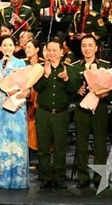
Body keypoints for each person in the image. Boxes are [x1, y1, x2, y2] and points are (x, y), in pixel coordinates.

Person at [34, 37, 80, 189]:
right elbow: (36, 88)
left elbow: (74, 90)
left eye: (55, 50)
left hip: (61, 114)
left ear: (61, 52)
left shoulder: (70, 69)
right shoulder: (40, 68)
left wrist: (66, 79)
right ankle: (45, 176)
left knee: (60, 147)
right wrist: (46, 75)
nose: (51, 53)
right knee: (43, 148)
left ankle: (59, 177)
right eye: (49, 50)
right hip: (43, 113)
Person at [72, 35, 111, 188]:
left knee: (100, 143)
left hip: (100, 108)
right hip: (81, 108)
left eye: (90, 45)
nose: (87, 49)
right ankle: (82, 176)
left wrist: (106, 93)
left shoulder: (105, 66)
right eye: (84, 46)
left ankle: (99, 177)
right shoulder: (75, 67)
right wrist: (77, 91)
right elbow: (70, 89)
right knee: (81, 143)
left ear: (96, 48)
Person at [0, 35, 29, 189]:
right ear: (0, 48)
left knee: (18, 136)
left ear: (15, 47)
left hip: (17, 100)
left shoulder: (21, 63)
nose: (7, 48)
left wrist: (19, 92)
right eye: (4, 45)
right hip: (3, 101)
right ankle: (3, 177)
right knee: (3, 137)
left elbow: (26, 83)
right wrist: (3, 69)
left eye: (10, 45)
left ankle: (18, 177)